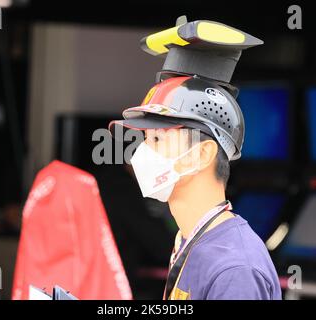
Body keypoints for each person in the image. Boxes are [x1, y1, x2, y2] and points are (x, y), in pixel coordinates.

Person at [109, 75, 282, 300]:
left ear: (201, 154)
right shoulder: (189, 239)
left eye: (157, 139)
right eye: (145, 138)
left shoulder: (235, 270)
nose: (141, 152)